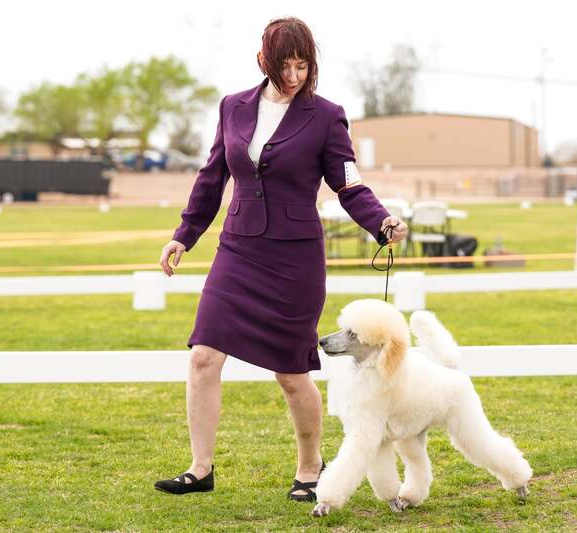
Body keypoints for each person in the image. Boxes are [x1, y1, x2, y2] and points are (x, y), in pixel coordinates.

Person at [155, 17, 407, 501]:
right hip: (238, 250)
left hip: (295, 261)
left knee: (291, 375)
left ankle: (310, 468)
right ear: (262, 61)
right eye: (283, 66)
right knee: (203, 356)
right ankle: (200, 468)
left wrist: (381, 222)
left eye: (302, 65)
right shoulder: (233, 107)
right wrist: (184, 236)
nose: (293, 76)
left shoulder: (327, 116)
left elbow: (348, 184)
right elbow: (212, 177)